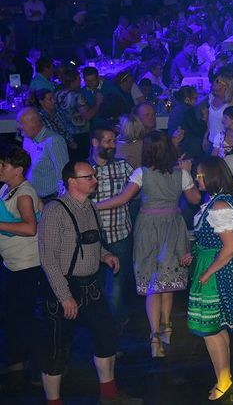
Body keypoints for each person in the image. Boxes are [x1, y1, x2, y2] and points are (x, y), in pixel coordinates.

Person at [96, 131, 201, 358]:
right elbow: (195, 199)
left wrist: (95, 206)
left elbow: (123, 199)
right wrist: (189, 172)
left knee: (154, 281)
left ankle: (155, 337)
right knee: (168, 279)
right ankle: (167, 328)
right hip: (173, 226)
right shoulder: (180, 174)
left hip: (148, 229)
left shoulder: (140, 174)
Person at [37, 160, 129, 405]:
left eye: (93, 176)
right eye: (89, 177)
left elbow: (91, 245)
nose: (95, 180)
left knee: (106, 336)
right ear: (72, 182)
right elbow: (48, 259)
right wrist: (64, 295)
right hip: (64, 288)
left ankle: (109, 395)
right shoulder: (54, 210)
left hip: (91, 286)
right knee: (57, 350)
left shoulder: (90, 207)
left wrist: (106, 255)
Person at [187, 157, 233, 401]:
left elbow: (230, 247)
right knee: (216, 328)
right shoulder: (216, 203)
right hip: (211, 264)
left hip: (217, 270)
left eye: (199, 175)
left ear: (211, 176)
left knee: (210, 329)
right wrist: (194, 253)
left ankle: (223, 379)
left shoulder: (220, 206)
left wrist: (207, 273)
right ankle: (224, 375)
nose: (196, 179)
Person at [0, 145, 43, 376]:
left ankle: (42, 368)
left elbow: (29, 227)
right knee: (13, 315)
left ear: (18, 170)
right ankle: (16, 361)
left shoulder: (24, 193)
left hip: (27, 266)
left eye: (3, 165)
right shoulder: (8, 188)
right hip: (12, 264)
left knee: (25, 318)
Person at [89, 128, 135, 325]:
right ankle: (104, 327)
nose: (112, 145)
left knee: (115, 287)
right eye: (108, 141)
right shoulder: (82, 170)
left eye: (114, 141)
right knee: (95, 286)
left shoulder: (123, 166)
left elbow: (139, 189)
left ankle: (112, 335)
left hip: (119, 234)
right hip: (92, 238)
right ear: (94, 143)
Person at [17, 107, 68, 202]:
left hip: (50, 199)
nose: (19, 126)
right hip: (31, 197)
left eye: (22, 123)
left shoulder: (54, 141)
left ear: (34, 123)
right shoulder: (27, 140)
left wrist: (60, 202)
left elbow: (63, 172)